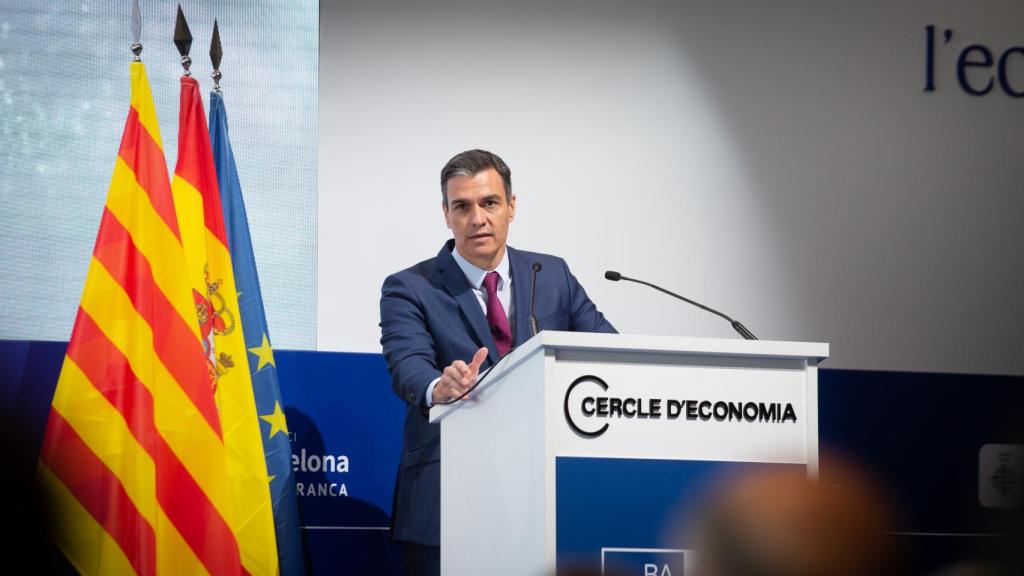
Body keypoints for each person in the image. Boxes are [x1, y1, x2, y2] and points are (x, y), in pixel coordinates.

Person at [379, 149, 615, 575]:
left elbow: (608, 350)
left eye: (489, 203)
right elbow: (408, 366)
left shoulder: (552, 274)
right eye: (462, 206)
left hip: (544, 494)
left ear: (511, 206)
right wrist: (440, 387)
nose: (477, 218)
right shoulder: (410, 287)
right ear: (446, 215)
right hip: (448, 498)